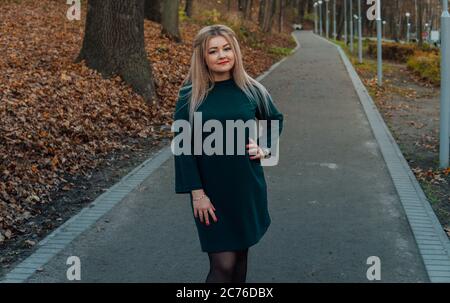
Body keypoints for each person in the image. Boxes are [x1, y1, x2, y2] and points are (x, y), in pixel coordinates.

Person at [172, 24, 284, 283]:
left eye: (227, 48)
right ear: (202, 57)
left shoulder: (252, 89)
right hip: (209, 194)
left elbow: (275, 120)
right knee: (223, 265)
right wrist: (197, 195)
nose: (222, 55)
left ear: (235, 52)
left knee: (239, 261)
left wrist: (265, 148)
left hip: (246, 189)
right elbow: (183, 149)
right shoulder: (190, 96)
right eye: (214, 51)